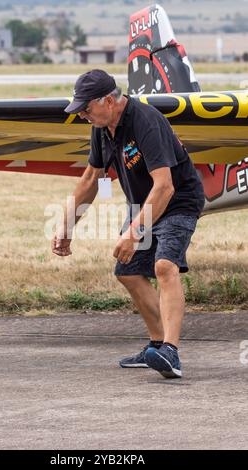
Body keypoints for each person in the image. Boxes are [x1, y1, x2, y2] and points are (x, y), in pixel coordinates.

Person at [52, 69, 205, 379]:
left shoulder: (145, 121)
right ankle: (157, 346)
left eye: (86, 108)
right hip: (143, 202)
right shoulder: (101, 126)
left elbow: (165, 186)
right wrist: (66, 225)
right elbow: (91, 178)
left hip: (178, 200)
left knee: (164, 266)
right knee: (129, 271)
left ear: (108, 100)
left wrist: (134, 233)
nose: (82, 114)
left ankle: (171, 354)